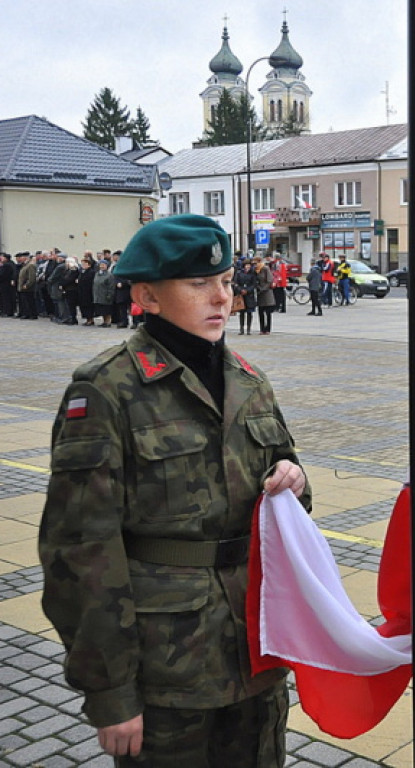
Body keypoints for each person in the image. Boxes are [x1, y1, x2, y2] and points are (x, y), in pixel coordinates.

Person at [39, 214, 310, 767]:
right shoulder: (106, 389)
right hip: (168, 668)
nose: (222, 298)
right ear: (147, 296)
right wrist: (111, 693)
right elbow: (80, 549)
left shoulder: (249, 380)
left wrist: (295, 482)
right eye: (198, 284)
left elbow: (290, 497)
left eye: (228, 282)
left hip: (256, 652)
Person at [233, 259, 258, 334]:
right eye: (246, 265)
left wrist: (248, 290)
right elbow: (236, 283)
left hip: (249, 295)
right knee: (242, 313)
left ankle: (248, 329)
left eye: (249, 265)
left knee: (249, 313)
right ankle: (241, 328)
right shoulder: (239, 273)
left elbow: (254, 284)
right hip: (241, 295)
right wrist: (240, 290)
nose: (248, 267)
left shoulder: (253, 274)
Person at [255, 256, 276, 335]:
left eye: (256, 263)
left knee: (267, 313)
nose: (255, 265)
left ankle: (268, 329)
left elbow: (269, 280)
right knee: (260, 312)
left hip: (267, 293)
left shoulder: (265, 269)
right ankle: (262, 329)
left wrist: (263, 288)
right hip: (260, 294)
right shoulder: (256, 271)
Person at [92, 259, 115, 327]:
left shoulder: (109, 275)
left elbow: (111, 286)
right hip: (98, 295)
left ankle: (108, 322)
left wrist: (109, 295)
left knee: (107, 309)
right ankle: (104, 321)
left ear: (107, 266)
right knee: (101, 309)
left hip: (105, 295)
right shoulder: (97, 274)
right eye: (101, 265)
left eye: (103, 265)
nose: (102, 266)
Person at [16, 251, 37, 319]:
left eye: (22, 257)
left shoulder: (30, 265)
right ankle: (27, 314)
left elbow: (32, 277)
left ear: (25, 258)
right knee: (25, 302)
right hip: (23, 287)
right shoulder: (24, 265)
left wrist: (27, 285)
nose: (20, 259)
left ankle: (32, 314)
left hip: (28, 287)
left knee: (30, 301)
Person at [79, 254, 97, 325]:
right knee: (84, 307)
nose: (83, 265)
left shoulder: (91, 272)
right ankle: (87, 319)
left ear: (89, 265)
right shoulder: (82, 272)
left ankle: (90, 319)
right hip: (82, 292)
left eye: (85, 264)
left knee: (89, 307)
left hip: (88, 292)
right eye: (82, 264)